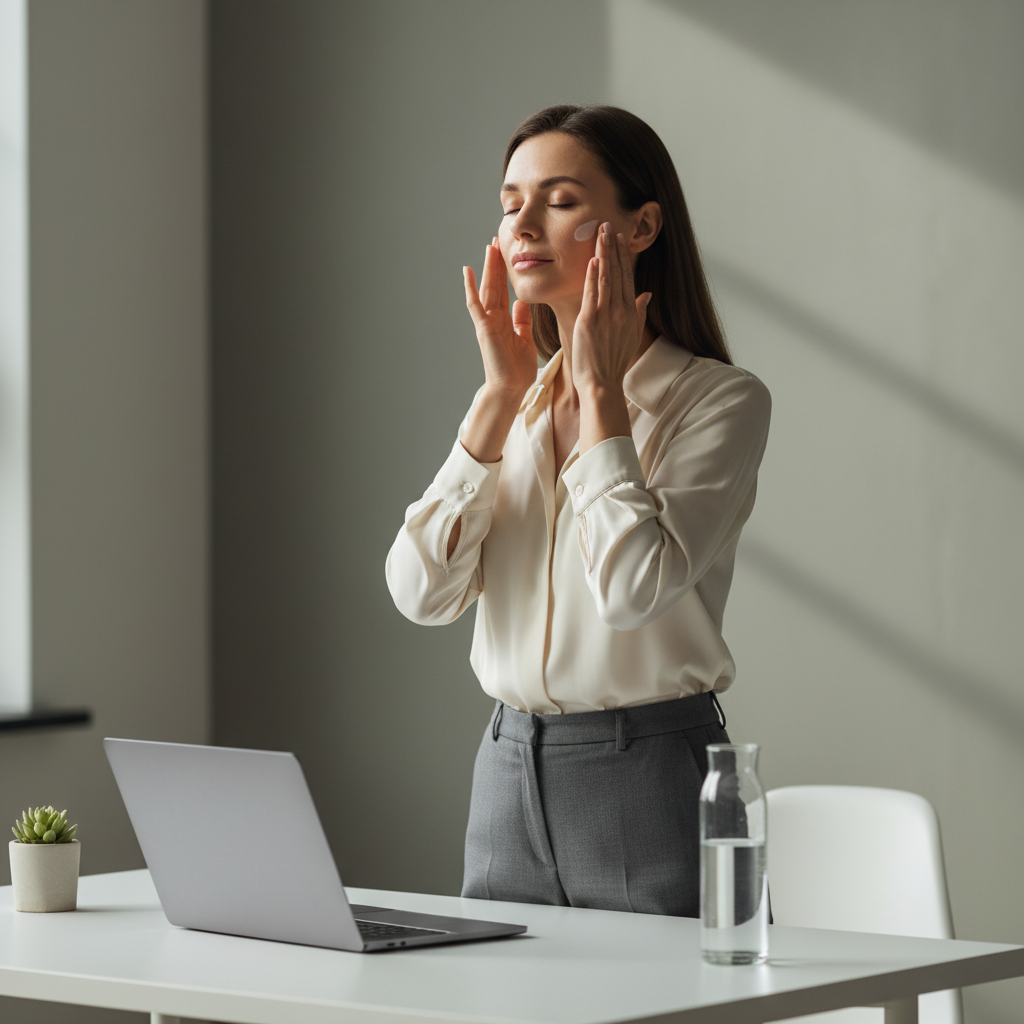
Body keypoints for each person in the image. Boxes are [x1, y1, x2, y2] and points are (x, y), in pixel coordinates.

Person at [386, 105, 771, 917]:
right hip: (503, 772)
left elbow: (634, 592)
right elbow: (420, 595)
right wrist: (495, 399)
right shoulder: (516, 406)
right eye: (510, 200)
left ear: (641, 225)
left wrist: (600, 396)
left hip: (651, 772)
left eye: (558, 200)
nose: (521, 223)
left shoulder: (717, 402)